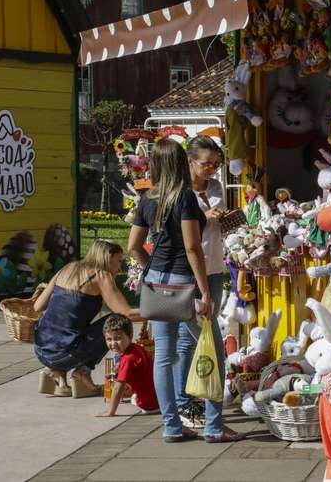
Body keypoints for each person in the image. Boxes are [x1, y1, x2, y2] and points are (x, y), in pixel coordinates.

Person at [128, 138, 241, 443]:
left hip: (158, 285)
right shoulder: (185, 198)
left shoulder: (149, 199)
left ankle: (172, 426)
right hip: (186, 283)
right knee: (213, 350)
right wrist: (205, 291)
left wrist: (152, 269)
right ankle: (214, 426)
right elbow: (192, 248)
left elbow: (133, 246)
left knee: (164, 356)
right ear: (181, 162)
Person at [173, 136, 231, 428]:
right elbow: (186, 237)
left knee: (189, 339)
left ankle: (186, 401)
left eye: (215, 164)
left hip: (214, 266)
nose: (211, 169)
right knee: (208, 340)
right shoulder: (181, 193)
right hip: (189, 270)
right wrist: (204, 216)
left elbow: (216, 226)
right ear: (189, 162)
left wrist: (225, 218)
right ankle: (209, 417)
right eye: (205, 164)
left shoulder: (216, 187)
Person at [34, 239, 139, 398]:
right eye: (118, 261)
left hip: (41, 349)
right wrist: (161, 311)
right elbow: (127, 313)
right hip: (65, 354)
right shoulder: (101, 275)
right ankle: (83, 373)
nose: (119, 267)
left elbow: (38, 306)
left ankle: (57, 373)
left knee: (75, 331)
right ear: (107, 258)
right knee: (116, 322)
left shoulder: (68, 267)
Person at [96, 314, 159, 416]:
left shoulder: (128, 358)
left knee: (130, 396)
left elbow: (118, 387)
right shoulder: (137, 348)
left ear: (130, 336)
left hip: (149, 405)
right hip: (158, 398)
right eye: (109, 339)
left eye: (118, 338)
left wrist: (110, 412)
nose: (113, 343)